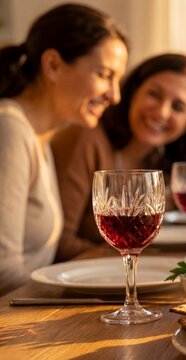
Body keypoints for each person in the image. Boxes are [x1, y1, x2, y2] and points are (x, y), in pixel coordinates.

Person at [0, 3, 128, 294]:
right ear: (53, 65)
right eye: (104, 74)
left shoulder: (38, 135)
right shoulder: (9, 130)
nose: (116, 95)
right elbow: (3, 275)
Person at [51, 53, 186, 262]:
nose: (162, 113)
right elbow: (58, 245)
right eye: (154, 94)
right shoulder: (85, 138)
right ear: (133, 91)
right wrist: (132, 260)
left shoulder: (163, 165)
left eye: (178, 107)